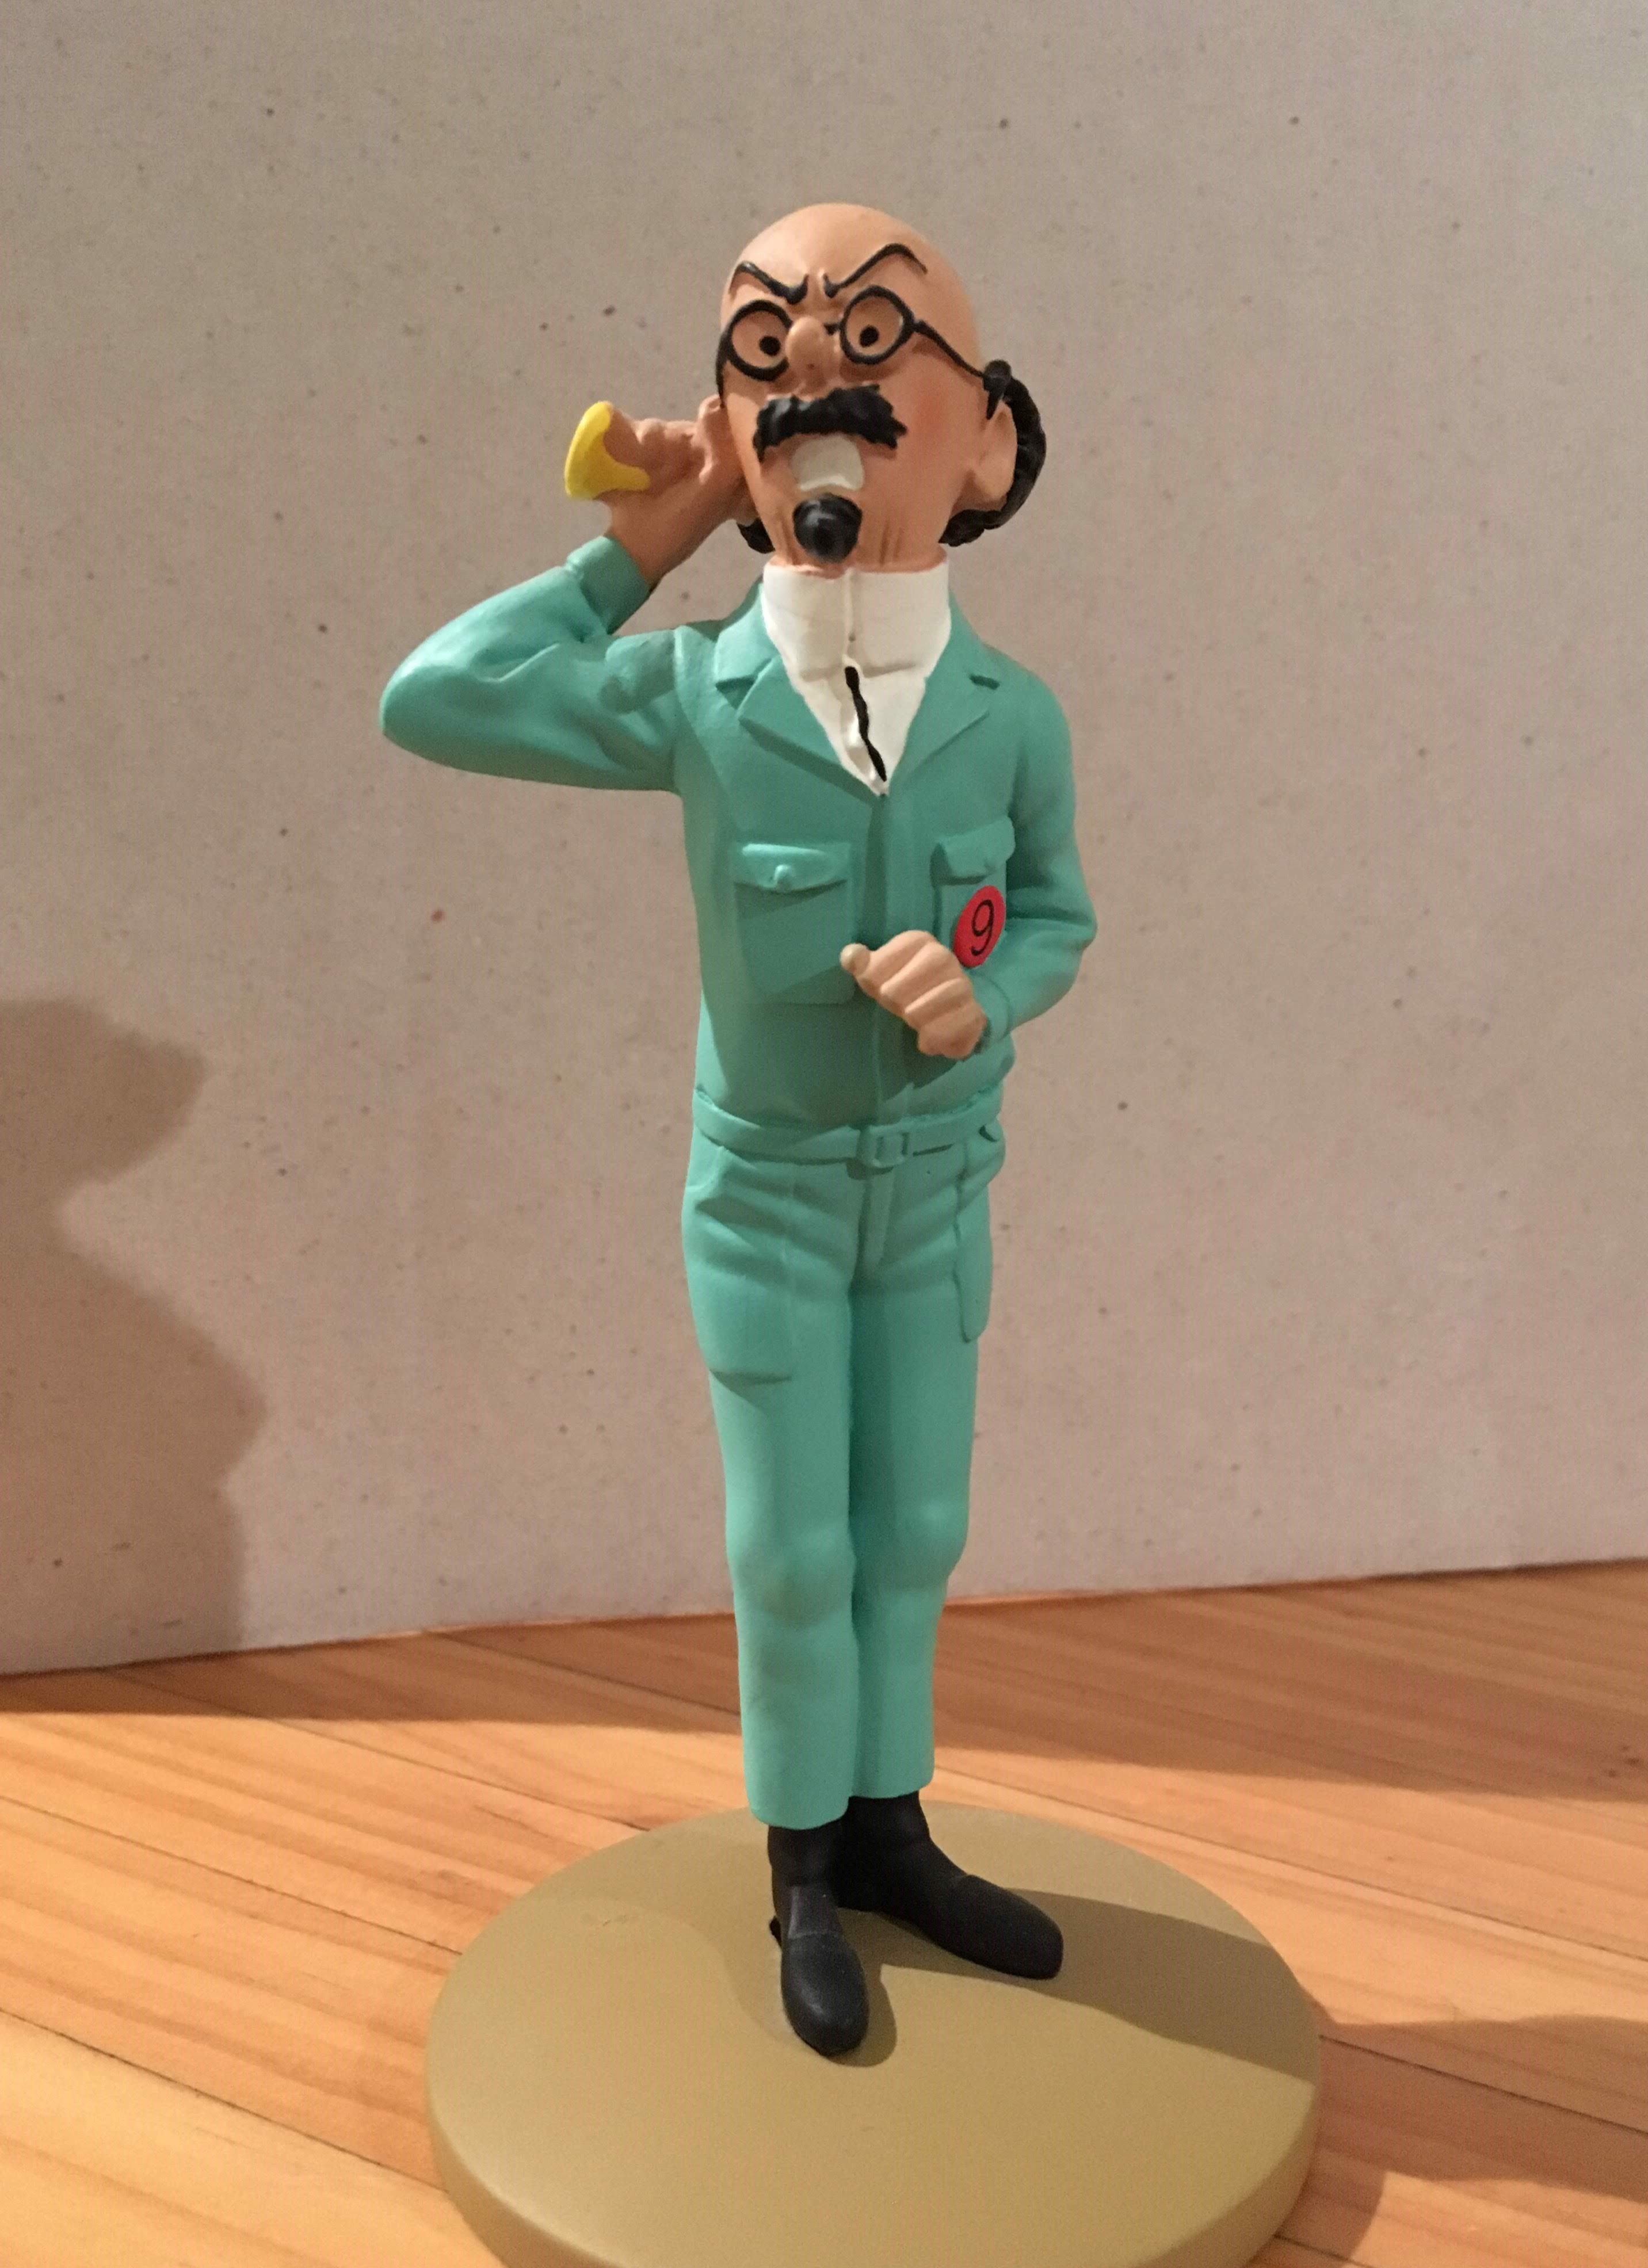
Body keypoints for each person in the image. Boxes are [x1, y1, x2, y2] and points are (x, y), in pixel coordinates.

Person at [381, 203, 1095, 2056]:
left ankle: (892, 1827)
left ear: (988, 440)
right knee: (790, 1547)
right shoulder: (699, 695)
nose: (815, 392)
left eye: (873, 345)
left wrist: (989, 998)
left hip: (934, 1195)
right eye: (766, 356)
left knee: (913, 1526)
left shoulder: (1014, 716)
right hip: (768, 1199)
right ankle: (802, 1866)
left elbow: (1059, 912)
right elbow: (437, 697)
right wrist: (660, 528)